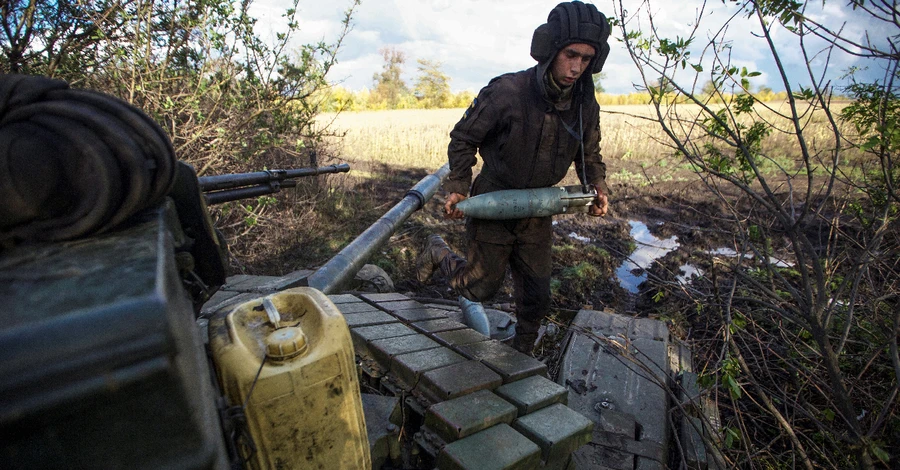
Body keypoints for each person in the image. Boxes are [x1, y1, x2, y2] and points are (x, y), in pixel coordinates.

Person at [417, 1, 611, 353]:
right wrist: (459, 186)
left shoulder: (584, 104)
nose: (576, 67)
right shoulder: (508, 92)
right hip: (495, 198)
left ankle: (522, 357)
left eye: (586, 59)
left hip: (538, 207)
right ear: (550, 49)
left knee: (537, 296)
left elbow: (589, 151)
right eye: (571, 55)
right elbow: (463, 138)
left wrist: (596, 184)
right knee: (478, 289)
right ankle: (437, 252)